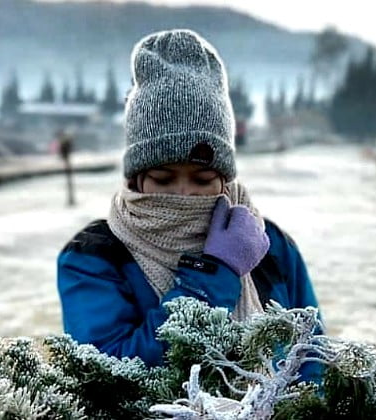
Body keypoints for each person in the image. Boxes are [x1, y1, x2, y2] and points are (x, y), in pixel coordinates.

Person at [57, 29, 319, 367]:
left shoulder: (269, 246)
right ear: (137, 178)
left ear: (225, 180)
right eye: (163, 178)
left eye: (203, 178)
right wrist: (216, 273)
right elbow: (110, 372)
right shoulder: (94, 257)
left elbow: (311, 359)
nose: (184, 194)